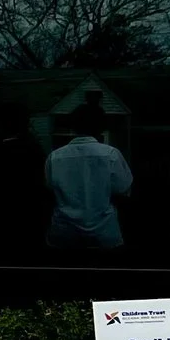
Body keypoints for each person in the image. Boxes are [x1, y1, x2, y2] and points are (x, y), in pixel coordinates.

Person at [45, 103, 133, 252]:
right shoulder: (111, 154)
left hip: (64, 232)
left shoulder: (55, 157)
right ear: (101, 126)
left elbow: (49, 190)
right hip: (103, 230)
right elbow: (123, 189)